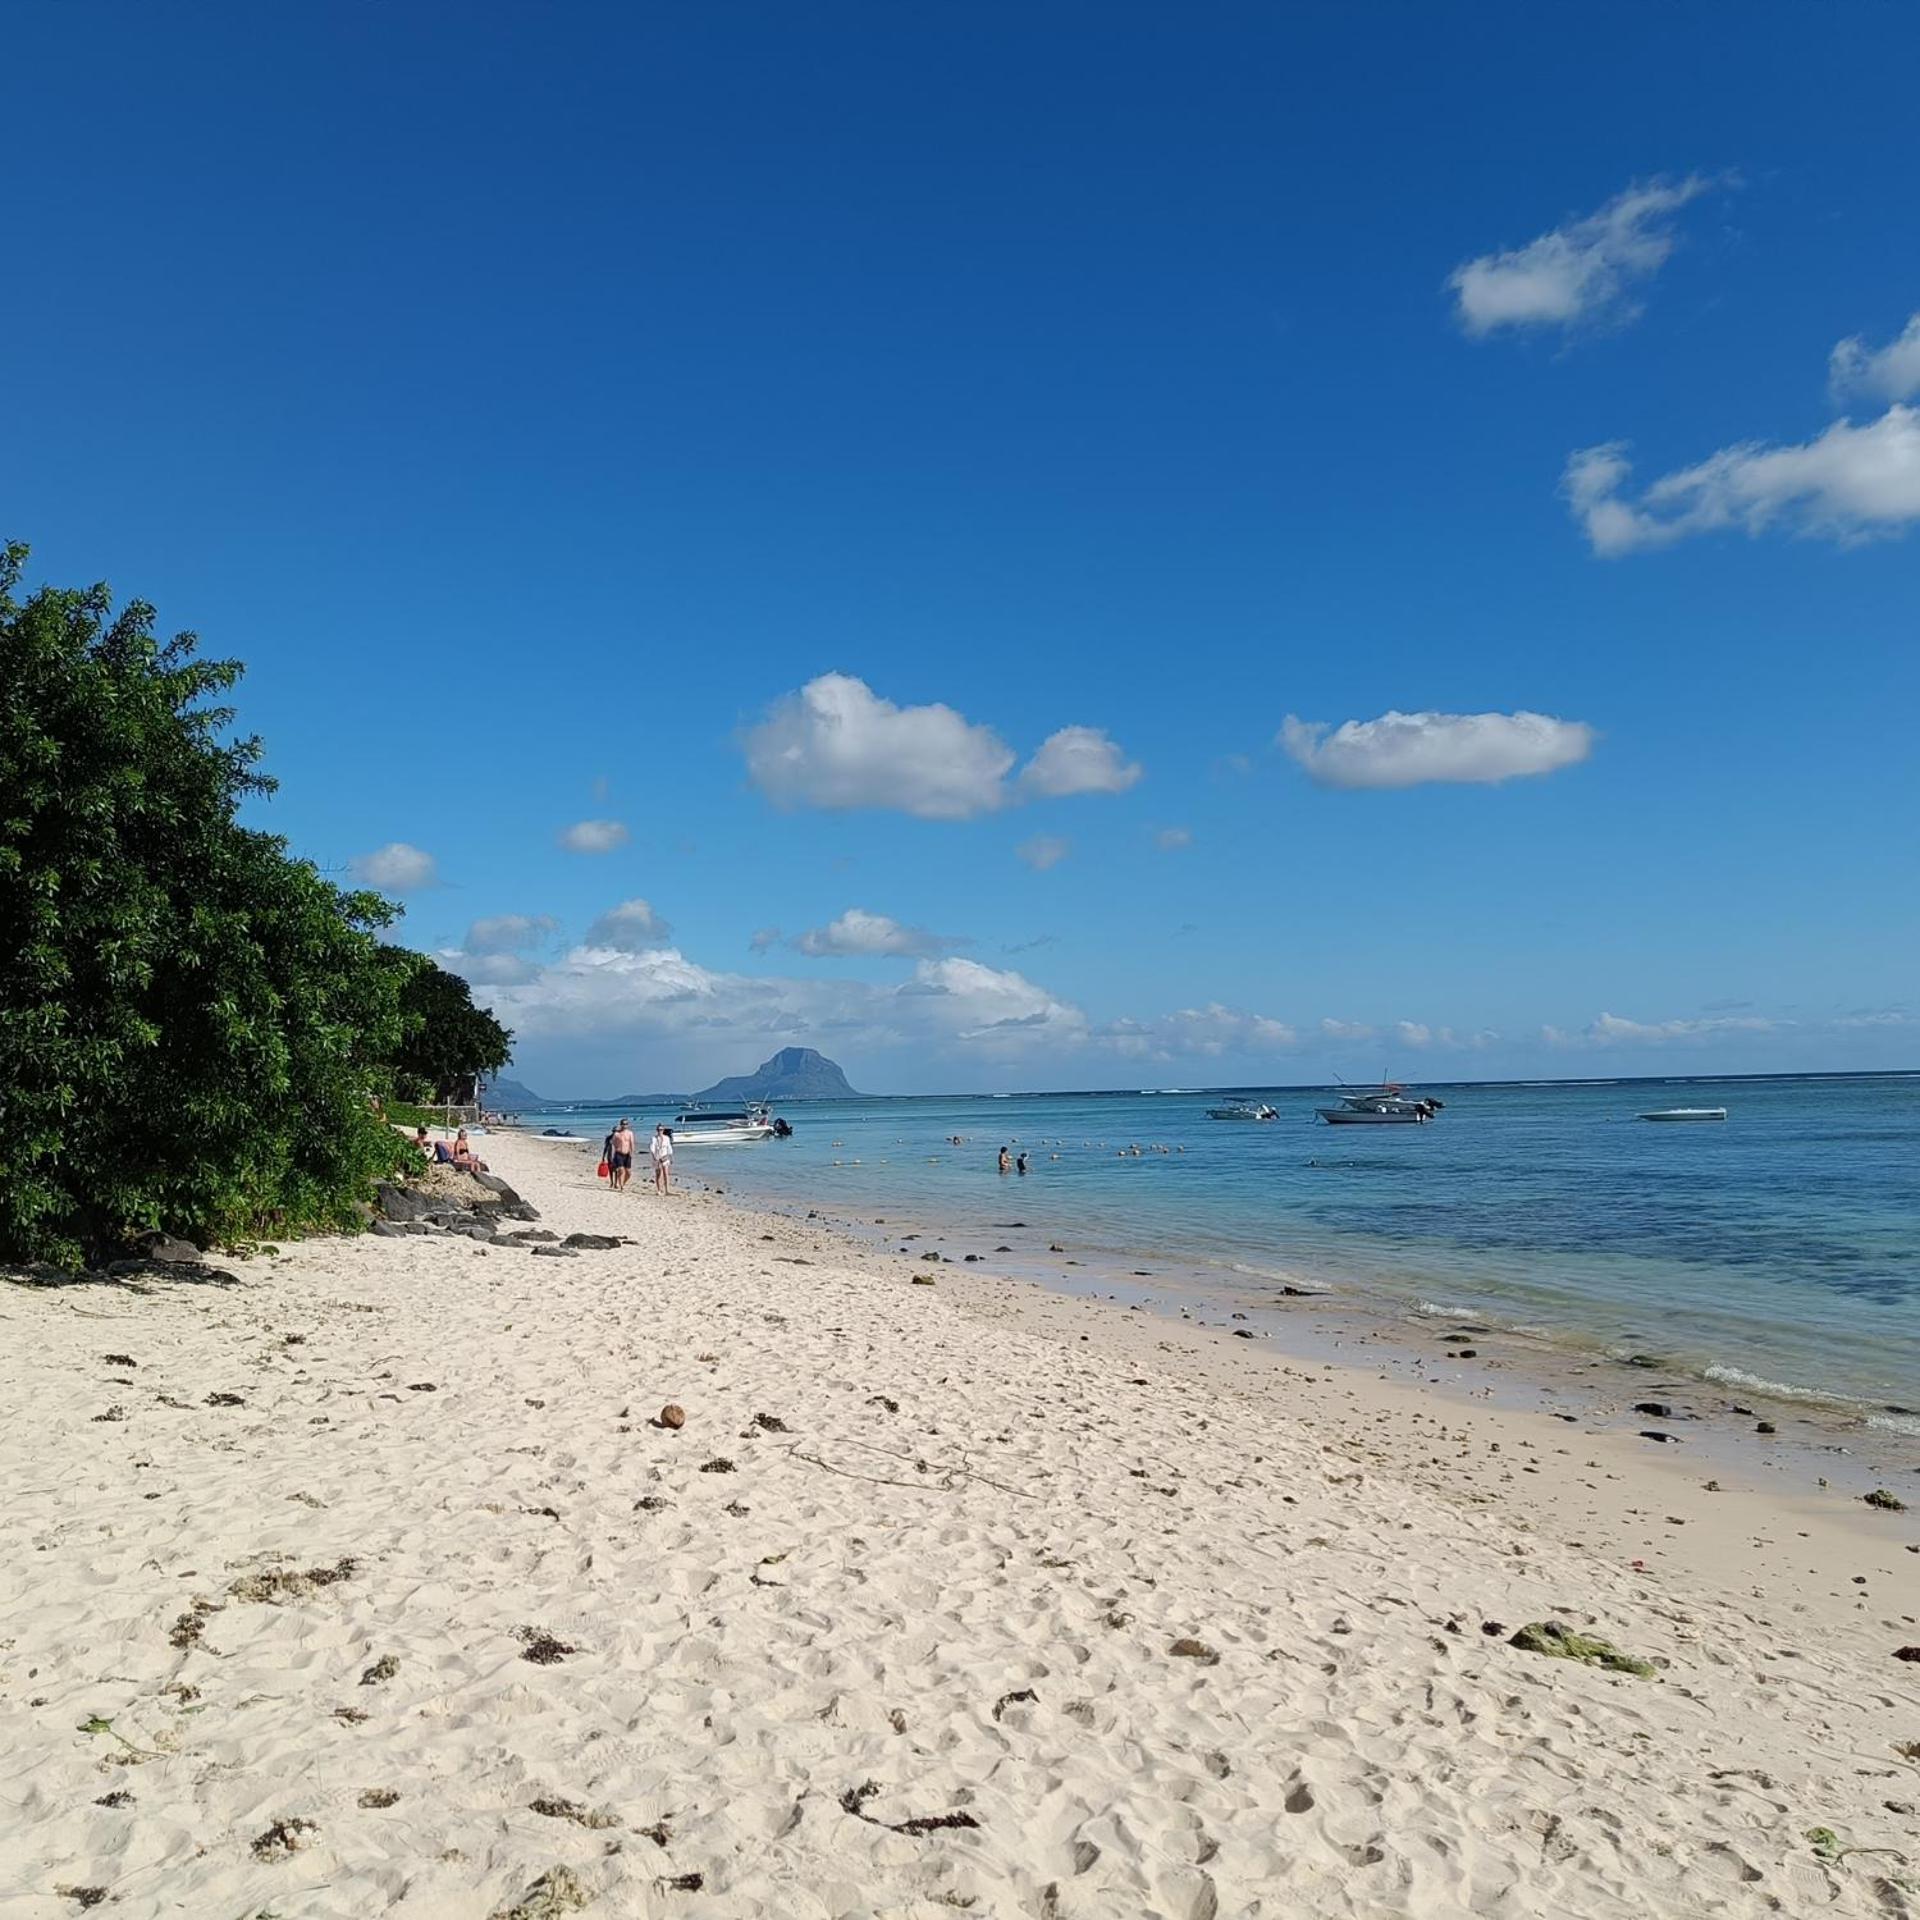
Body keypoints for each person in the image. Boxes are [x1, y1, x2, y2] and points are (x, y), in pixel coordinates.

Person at [608, 1117, 636, 1192]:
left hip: (627, 1154)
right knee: (621, 1170)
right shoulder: (617, 1134)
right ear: (621, 1125)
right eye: (623, 1124)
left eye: (626, 1124)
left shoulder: (630, 1133)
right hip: (619, 1154)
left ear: (628, 1125)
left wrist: (632, 1153)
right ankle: (621, 1186)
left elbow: (632, 1143)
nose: (624, 1125)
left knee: (629, 1173)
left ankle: (623, 1183)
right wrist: (614, 1152)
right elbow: (612, 1143)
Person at [651, 1122, 674, 1194]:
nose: (660, 1131)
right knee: (658, 1174)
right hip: (657, 1158)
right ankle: (659, 1190)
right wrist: (655, 1157)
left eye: (661, 1129)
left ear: (663, 1130)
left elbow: (669, 1148)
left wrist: (670, 1157)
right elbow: (652, 1148)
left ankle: (667, 1190)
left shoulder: (666, 1138)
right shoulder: (654, 1138)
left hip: (665, 1157)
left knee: (666, 1174)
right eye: (658, 1130)